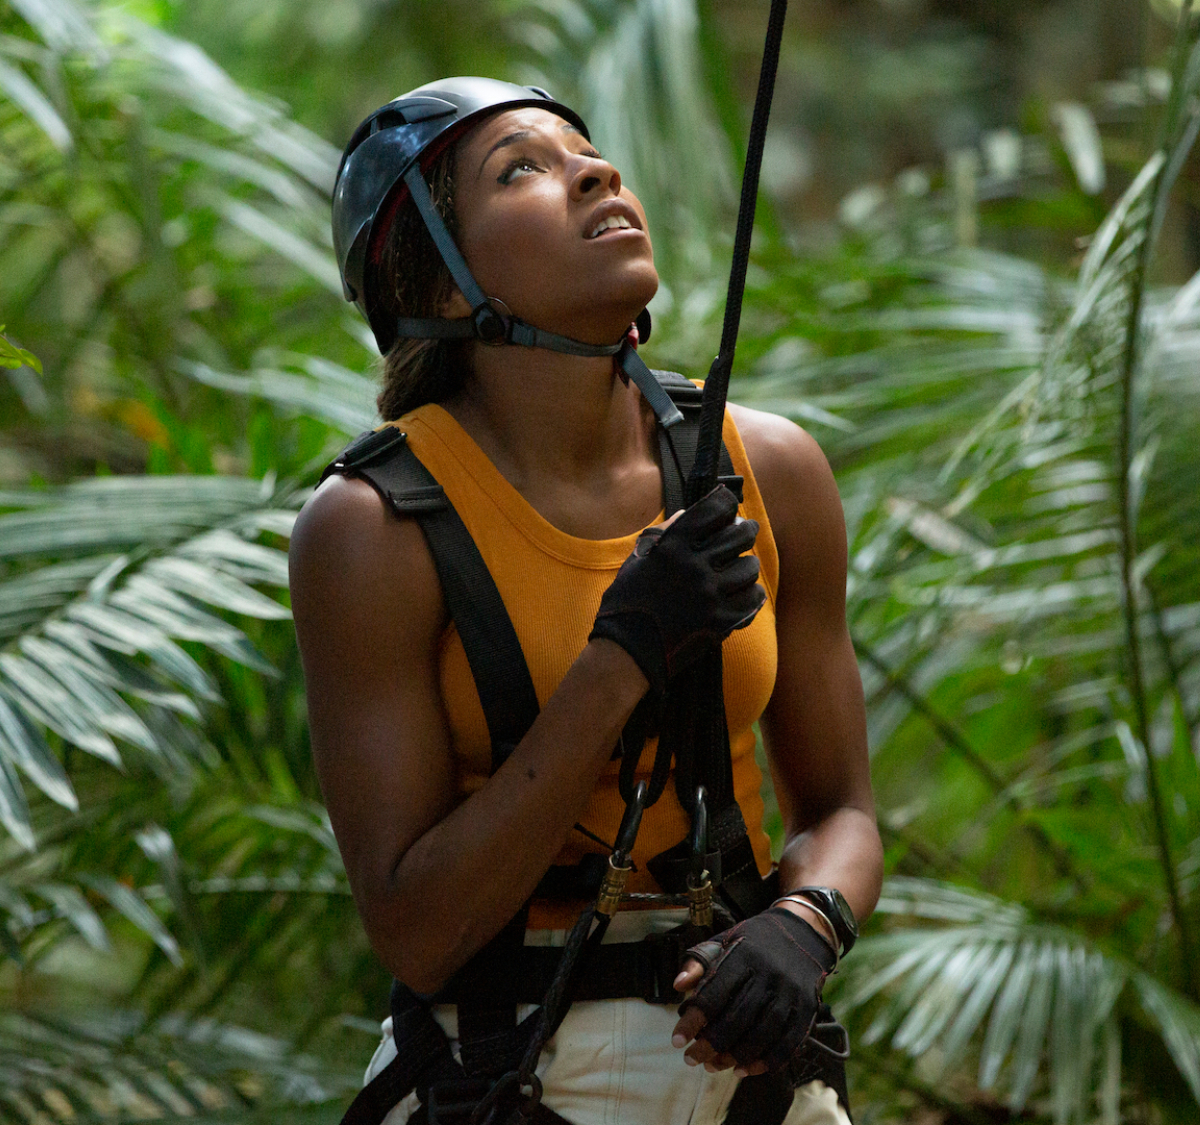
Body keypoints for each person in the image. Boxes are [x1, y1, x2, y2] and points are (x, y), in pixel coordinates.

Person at [290, 78, 882, 1125]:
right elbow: (417, 931)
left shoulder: (768, 468)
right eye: (520, 169)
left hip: (753, 1073)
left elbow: (839, 811)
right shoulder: (374, 527)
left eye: (585, 152)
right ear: (438, 276)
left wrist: (805, 922)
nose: (595, 172)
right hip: (505, 1070)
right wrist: (621, 656)